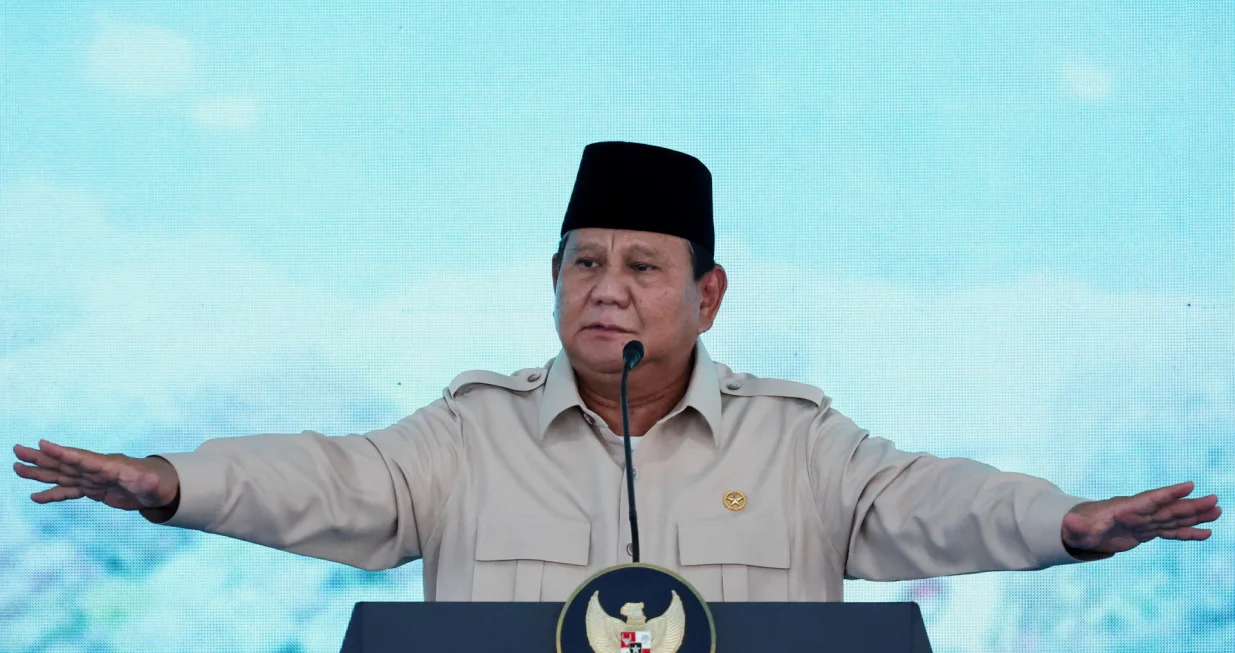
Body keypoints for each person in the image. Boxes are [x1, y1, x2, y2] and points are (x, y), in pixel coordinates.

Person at [11, 141, 1222, 602]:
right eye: (582, 261)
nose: (604, 287)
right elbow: (329, 476)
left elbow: (932, 499)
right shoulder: (467, 432)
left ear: (706, 295)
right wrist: (170, 480)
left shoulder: (798, 441)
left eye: (641, 266)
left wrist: (1062, 521)